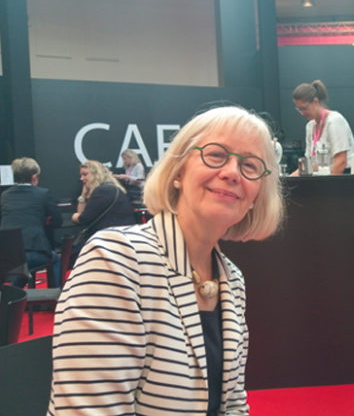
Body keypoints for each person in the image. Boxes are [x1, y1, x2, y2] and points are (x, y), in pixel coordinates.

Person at [48, 106, 285, 415]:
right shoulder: (116, 259)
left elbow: (233, 404)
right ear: (178, 173)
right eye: (215, 155)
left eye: (250, 165)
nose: (231, 173)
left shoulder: (232, 279)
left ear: (256, 196)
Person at [0, 157, 62, 288]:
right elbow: (58, 221)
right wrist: (45, 223)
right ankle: (57, 295)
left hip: (6, 254)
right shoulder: (43, 194)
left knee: (24, 267)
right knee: (55, 259)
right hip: (33, 252)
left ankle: (12, 292)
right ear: (34, 177)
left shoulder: (5, 196)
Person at [291, 79, 354, 174]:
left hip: (343, 176)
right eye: (299, 109)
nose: (302, 113)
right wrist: (287, 180)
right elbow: (308, 165)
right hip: (323, 176)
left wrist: (327, 183)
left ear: (315, 101)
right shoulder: (310, 126)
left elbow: (341, 161)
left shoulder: (335, 121)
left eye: (304, 108)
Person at [71, 160, 135, 237]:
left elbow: (83, 219)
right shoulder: (109, 189)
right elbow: (83, 214)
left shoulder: (103, 191)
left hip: (111, 237)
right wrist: (83, 196)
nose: (81, 178)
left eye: (85, 174)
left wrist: (74, 216)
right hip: (118, 235)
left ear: (96, 174)